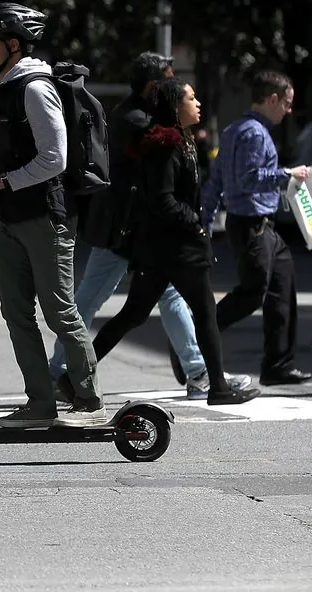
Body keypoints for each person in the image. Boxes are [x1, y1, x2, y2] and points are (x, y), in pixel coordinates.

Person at [53, 53, 252, 400]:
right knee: (92, 300)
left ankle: (200, 373)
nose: (188, 95)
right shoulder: (144, 126)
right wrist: (195, 224)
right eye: (176, 86)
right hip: (126, 231)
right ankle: (62, 371)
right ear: (159, 90)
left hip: (153, 237)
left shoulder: (166, 130)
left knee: (160, 305)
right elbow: (160, 195)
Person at [0, 2, 104, 428]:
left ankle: (89, 400)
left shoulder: (34, 87)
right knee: (15, 312)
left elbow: (54, 158)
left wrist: (3, 182)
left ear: (11, 45)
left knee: (59, 310)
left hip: (47, 217)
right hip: (11, 216)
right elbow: (20, 155)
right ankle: (40, 402)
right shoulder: (2, 87)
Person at [201, 70, 312, 385]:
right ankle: (199, 340)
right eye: (287, 103)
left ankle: (278, 364)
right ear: (272, 99)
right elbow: (246, 180)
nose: (289, 111)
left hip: (261, 225)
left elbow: (218, 181)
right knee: (253, 292)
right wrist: (287, 174)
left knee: (282, 287)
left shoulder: (236, 129)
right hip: (251, 224)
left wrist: (206, 222)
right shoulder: (254, 134)